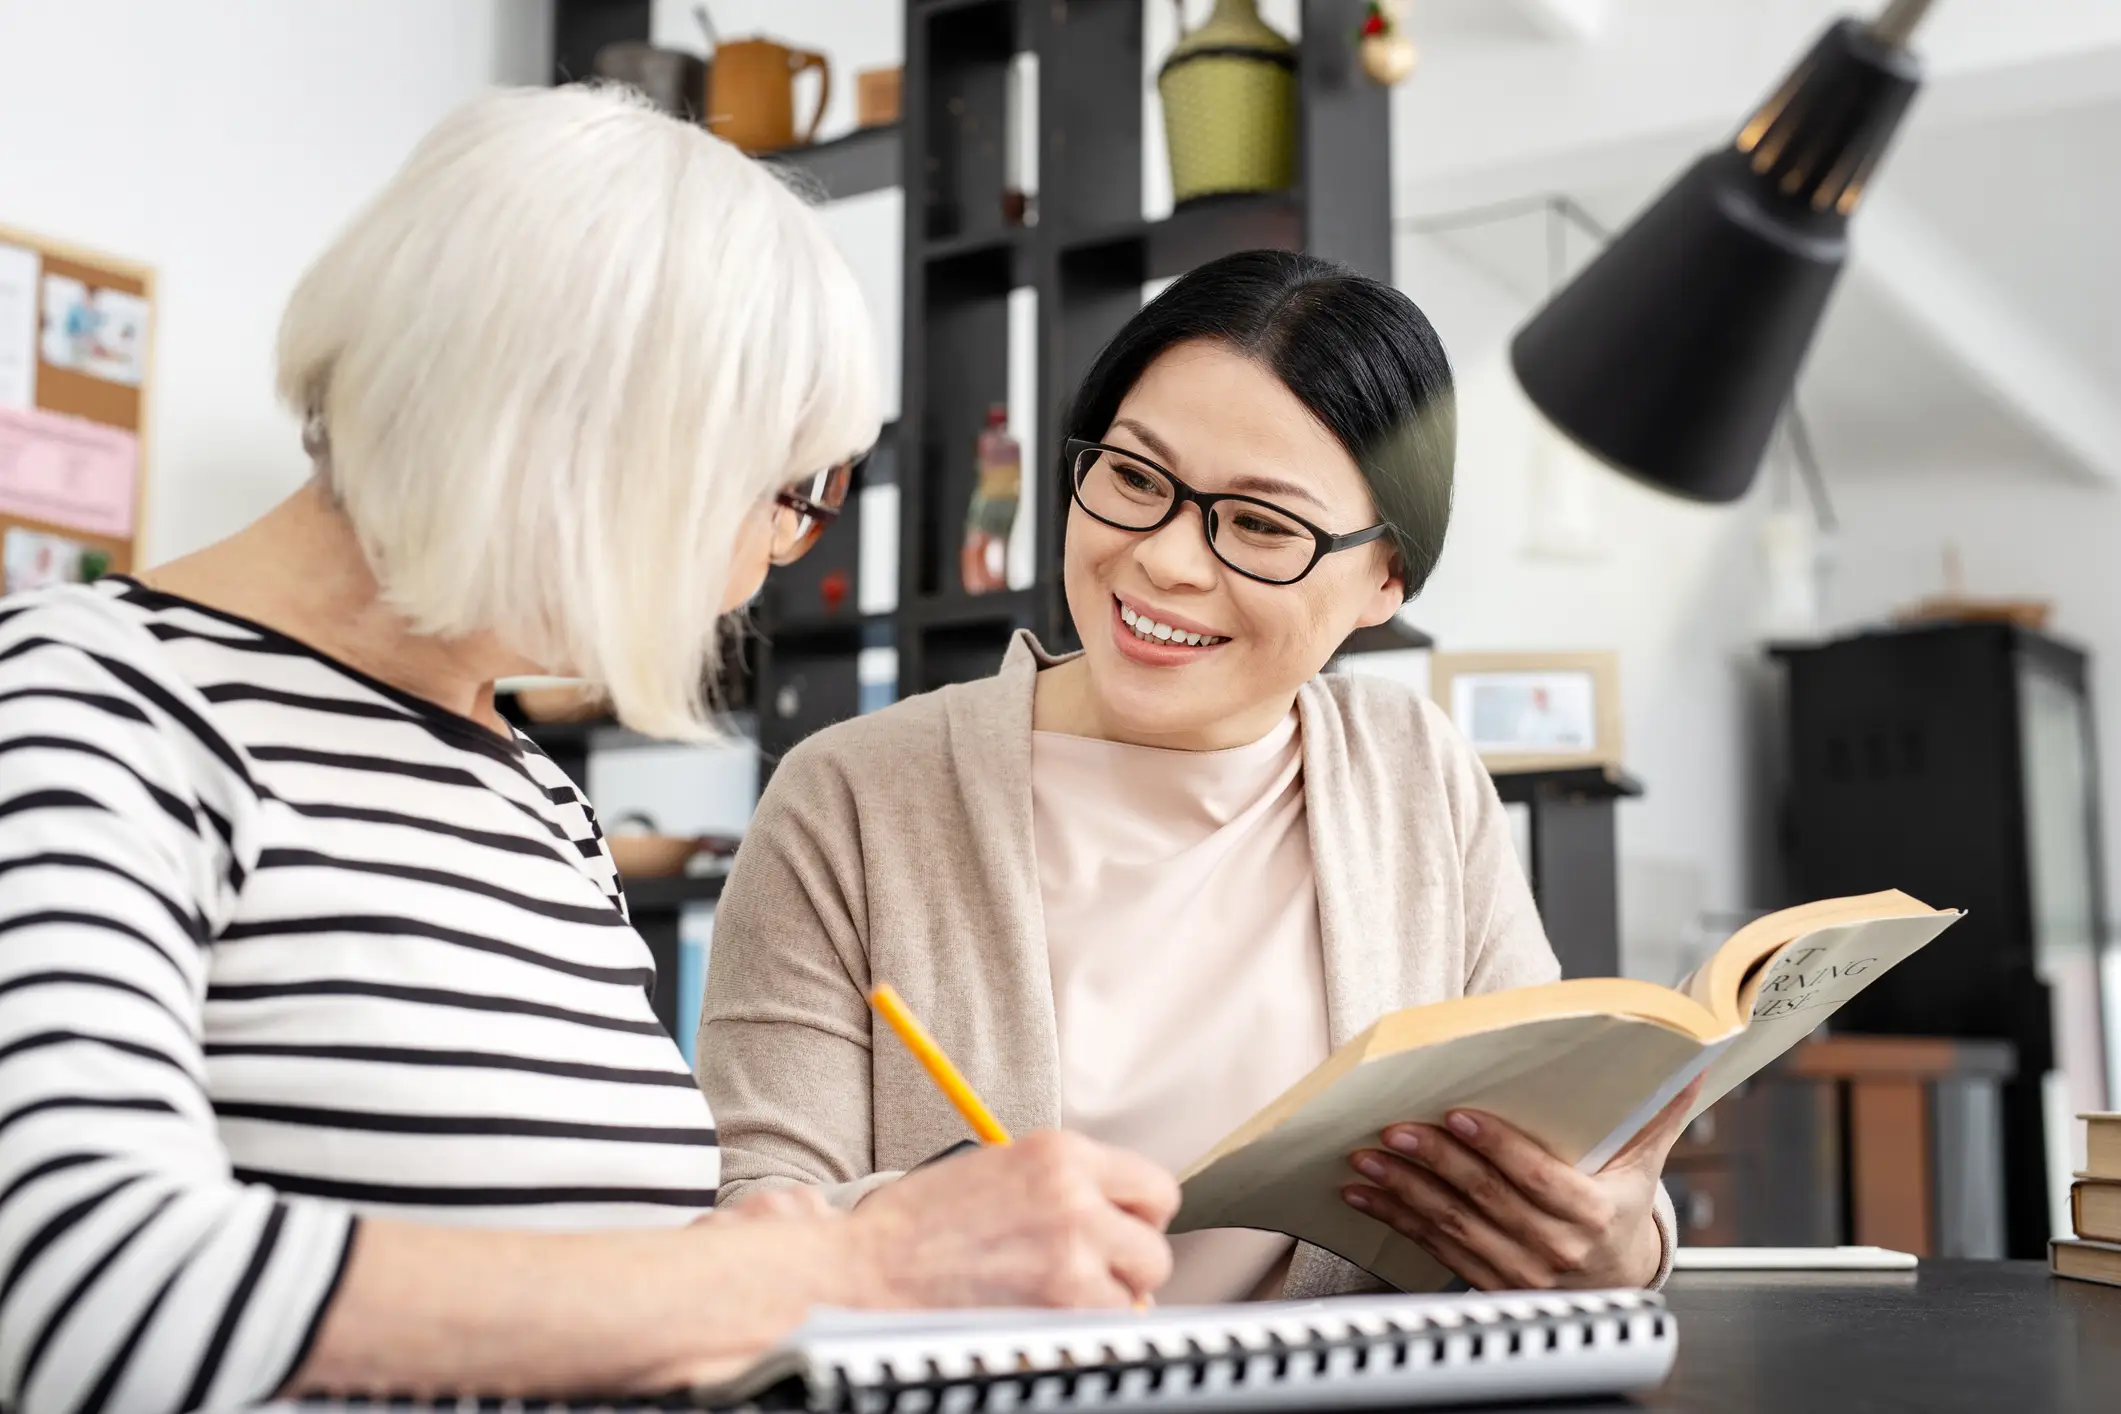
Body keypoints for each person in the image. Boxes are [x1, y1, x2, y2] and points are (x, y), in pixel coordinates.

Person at [0, 86, 1176, 1414]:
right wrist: (834, 1269)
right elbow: (82, 1290)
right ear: (585, 442)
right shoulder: (91, 699)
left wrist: (830, 1248)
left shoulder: (532, 797)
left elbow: (578, 1274)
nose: (775, 554)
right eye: (788, 492)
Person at [701, 250, 1687, 1304]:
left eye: (1260, 524)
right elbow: (748, 1216)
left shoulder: (1415, 774)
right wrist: (933, 1238)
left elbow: (1566, 1154)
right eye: (1133, 478)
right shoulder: (852, 799)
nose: (1166, 560)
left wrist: (1623, 1244)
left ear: (1385, 578)